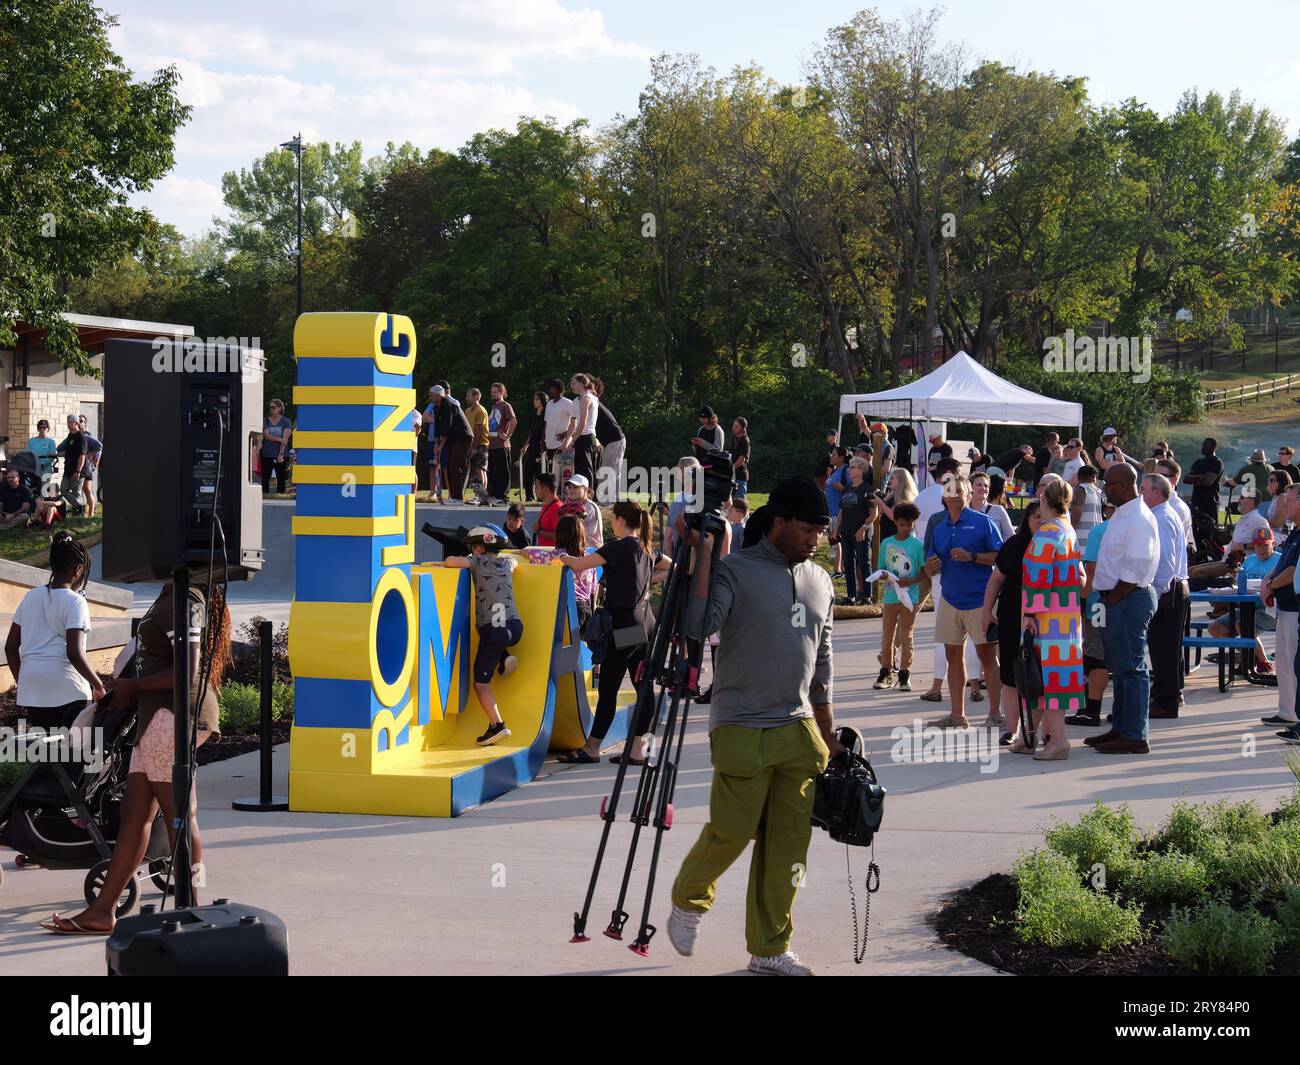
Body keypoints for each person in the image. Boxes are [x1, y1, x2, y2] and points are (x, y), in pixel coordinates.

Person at [667, 477, 842, 977]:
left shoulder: (822, 580)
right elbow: (697, 627)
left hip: (800, 724)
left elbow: (823, 663)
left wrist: (829, 732)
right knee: (733, 830)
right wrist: (703, 556)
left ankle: (769, 948)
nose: (815, 539)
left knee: (789, 846)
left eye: (821, 532)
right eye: (807, 529)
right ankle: (688, 900)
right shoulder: (735, 570)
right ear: (780, 521)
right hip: (741, 722)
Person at [42, 577, 228, 934]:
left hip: (171, 717)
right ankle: (102, 911)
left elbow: (187, 671)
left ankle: (191, 910)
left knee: (180, 816)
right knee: (135, 815)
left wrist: (131, 687)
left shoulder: (186, 595)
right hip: (155, 719)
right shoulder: (174, 591)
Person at [557, 501, 671, 764]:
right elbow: (671, 566)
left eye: (614, 520)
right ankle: (639, 751)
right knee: (644, 686)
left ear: (619, 520)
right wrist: (647, 582)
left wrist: (560, 557)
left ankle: (592, 748)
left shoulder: (616, 548)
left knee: (609, 686)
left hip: (624, 625)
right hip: (646, 622)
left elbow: (579, 564)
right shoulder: (646, 548)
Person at [1086, 463, 1159, 755]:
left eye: (1108, 484)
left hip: (1128, 598)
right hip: (1118, 599)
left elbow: (1137, 564)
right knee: (1120, 667)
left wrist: (1113, 597)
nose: (1104, 488)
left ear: (1123, 486)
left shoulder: (1138, 518)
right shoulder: (1123, 515)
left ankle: (1134, 735)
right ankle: (1121, 728)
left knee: (1131, 669)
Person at [924, 474, 1004, 729]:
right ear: (944, 496)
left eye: (960, 489)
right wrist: (930, 566)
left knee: (987, 656)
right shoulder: (939, 528)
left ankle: (995, 714)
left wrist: (972, 557)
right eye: (950, 489)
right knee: (952, 655)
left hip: (980, 598)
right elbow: (929, 566)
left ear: (970, 494)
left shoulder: (984, 523)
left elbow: (1001, 557)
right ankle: (957, 716)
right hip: (950, 598)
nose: (955, 493)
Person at [4, 532, 105, 733]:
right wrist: (98, 685)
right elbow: (74, 654)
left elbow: (10, 647)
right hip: (68, 689)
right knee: (76, 755)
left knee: (48, 754)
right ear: (78, 569)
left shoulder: (30, 597)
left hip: (33, 689)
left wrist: (23, 682)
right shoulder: (75, 601)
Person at [1015, 479, 1084, 760]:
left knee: (1044, 678)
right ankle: (1028, 736)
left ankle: (1057, 740)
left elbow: (1037, 577)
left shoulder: (1046, 534)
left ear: (1044, 499)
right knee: (1048, 679)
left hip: (1046, 618)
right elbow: (1079, 575)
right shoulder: (1068, 531)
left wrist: (1030, 613)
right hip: (1066, 618)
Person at [441, 525, 522, 745]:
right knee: (496, 643)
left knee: (480, 684)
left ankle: (497, 725)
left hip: (493, 631)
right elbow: (515, 562)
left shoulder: (476, 561)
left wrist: (465, 558)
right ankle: (504, 658)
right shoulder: (506, 563)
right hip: (515, 627)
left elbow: (450, 562)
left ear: (477, 549)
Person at [982, 500, 1042, 746]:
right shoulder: (1014, 546)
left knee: (1037, 675)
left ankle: (1035, 730)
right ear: (1027, 519)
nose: (1039, 520)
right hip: (1010, 616)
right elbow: (996, 579)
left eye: (1043, 516)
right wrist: (986, 611)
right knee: (1010, 673)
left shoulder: (1055, 546)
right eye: (1034, 516)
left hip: (1044, 620)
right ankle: (1013, 729)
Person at [1144, 472, 1190, 720]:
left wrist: (1158, 592)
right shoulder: (1163, 513)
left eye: (1144, 488)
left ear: (1156, 492)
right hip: (1172, 587)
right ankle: (1166, 694)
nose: (1141, 493)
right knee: (1166, 648)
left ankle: (1167, 700)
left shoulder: (1161, 517)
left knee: (1164, 648)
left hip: (1168, 589)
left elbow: (1165, 561)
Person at [1065, 500, 1115, 728]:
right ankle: (1110, 707)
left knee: (1095, 656)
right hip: (1124, 600)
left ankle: (1091, 710)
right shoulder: (1138, 526)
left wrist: (1082, 600)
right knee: (1110, 655)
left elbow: (1091, 570)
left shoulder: (1100, 530)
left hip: (1098, 601)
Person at [1207, 525, 1277, 674]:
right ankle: (1249, 656)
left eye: (1265, 545)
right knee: (1215, 629)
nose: (1261, 548)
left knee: (1243, 625)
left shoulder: (1279, 559)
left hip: (1270, 609)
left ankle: (1263, 662)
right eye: (1258, 545)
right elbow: (1238, 585)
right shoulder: (1249, 560)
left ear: (1273, 543)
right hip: (1246, 606)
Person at [874, 502, 924, 690]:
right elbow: (880, 569)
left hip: (910, 598)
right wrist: (885, 576)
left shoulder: (918, 544)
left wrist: (909, 582)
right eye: (902, 524)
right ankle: (886, 671)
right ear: (895, 523)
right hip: (890, 597)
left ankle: (905, 673)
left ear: (913, 523)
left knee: (906, 635)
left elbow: (924, 572)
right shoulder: (887, 543)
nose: (905, 528)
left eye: (909, 524)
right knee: (887, 636)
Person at [1262, 485, 1300, 732]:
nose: (1282, 506)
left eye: (1288, 501)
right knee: (1285, 664)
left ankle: (1296, 715)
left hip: (1295, 609)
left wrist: (1272, 585)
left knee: (1295, 664)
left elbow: (1293, 572)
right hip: (1284, 608)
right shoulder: (1295, 533)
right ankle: (1287, 712)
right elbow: (1282, 564)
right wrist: (1268, 580)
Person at [835, 457, 875, 606]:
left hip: (861, 533)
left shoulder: (867, 489)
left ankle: (867, 596)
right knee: (848, 564)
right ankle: (851, 595)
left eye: (853, 467)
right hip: (846, 532)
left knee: (864, 563)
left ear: (861, 470)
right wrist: (836, 530)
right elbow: (841, 511)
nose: (849, 470)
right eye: (850, 467)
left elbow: (874, 513)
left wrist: (863, 529)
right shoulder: (847, 488)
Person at [592, 378, 626, 500]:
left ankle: (608, 502)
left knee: (607, 472)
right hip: (615, 440)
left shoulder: (593, 402)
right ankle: (612, 501)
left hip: (614, 440)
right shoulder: (594, 402)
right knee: (612, 472)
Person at [565, 373, 600, 483]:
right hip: (580, 437)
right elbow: (573, 423)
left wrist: (573, 440)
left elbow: (583, 423)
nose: (571, 386)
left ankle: (589, 496)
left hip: (586, 437)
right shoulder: (576, 401)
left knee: (586, 469)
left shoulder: (587, 398)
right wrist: (567, 440)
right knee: (579, 470)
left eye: (574, 383)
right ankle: (580, 496)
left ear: (581, 384)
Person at [486, 382, 517, 504]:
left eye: (495, 392)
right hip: (492, 445)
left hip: (502, 445)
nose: (492, 394)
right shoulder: (493, 407)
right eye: (491, 392)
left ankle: (503, 497)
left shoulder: (506, 406)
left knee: (502, 472)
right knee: (493, 471)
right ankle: (494, 496)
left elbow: (514, 421)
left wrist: (507, 436)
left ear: (502, 392)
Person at [823, 447, 850, 577]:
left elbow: (851, 490)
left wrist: (841, 487)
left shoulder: (846, 470)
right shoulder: (835, 471)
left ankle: (838, 570)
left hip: (838, 511)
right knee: (833, 539)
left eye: (834, 455)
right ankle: (840, 569)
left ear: (841, 457)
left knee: (836, 539)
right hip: (831, 511)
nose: (831, 457)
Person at [560, 473, 603, 549]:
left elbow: (587, 532)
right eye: (569, 487)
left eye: (575, 487)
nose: (571, 490)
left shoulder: (590, 507)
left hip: (592, 552)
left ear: (586, 489)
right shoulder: (567, 504)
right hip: (576, 550)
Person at [543, 379, 577, 474]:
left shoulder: (568, 403)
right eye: (551, 388)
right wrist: (543, 441)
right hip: (549, 444)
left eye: (554, 388)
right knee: (552, 473)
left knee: (565, 474)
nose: (551, 391)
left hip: (562, 445)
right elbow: (546, 423)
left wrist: (567, 434)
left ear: (560, 390)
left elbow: (576, 421)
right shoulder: (549, 404)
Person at [259, 399, 292, 495]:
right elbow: (266, 435)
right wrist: (280, 439)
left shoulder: (286, 421)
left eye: (274, 407)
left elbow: (285, 439)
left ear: (280, 408)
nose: (271, 409)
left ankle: (281, 495)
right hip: (267, 453)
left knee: (281, 476)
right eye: (270, 407)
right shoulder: (265, 420)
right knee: (265, 477)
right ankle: (264, 495)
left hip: (281, 453)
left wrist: (280, 454)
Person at [1186, 437, 1224, 519]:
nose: (1203, 447)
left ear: (1213, 447)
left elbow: (1207, 482)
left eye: (1206, 445)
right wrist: (1201, 477)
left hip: (1210, 504)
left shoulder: (1217, 462)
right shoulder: (1198, 462)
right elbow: (1186, 479)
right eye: (1203, 445)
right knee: (1194, 529)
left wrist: (1194, 478)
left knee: (1209, 529)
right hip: (1196, 502)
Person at [970, 471, 1014, 541]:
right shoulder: (963, 511)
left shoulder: (998, 510)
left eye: (986, 486)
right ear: (970, 488)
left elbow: (1011, 538)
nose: (983, 488)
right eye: (979, 485)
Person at [56, 414, 86, 514]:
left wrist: (78, 471)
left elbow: (82, 455)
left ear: (76, 423)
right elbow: (69, 452)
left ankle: (79, 511)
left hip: (77, 470)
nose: (68, 424)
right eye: (68, 422)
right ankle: (80, 507)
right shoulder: (70, 435)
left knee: (76, 492)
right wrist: (56, 454)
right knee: (63, 490)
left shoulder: (81, 437)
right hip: (68, 469)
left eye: (70, 422)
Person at [1070, 464, 1104, 551]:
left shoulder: (1080, 489)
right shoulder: (1099, 492)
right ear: (1094, 477)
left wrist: (1070, 532)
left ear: (1078, 477)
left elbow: (1076, 516)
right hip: (1096, 541)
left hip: (1080, 542)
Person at [521, 391, 547, 502]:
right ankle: (529, 496)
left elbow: (546, 431)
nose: (534, 401)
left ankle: (541, 497)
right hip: (532, 446)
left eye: (537, 399)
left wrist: (543, 444)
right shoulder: (533, 416)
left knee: (540, 473)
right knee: (528, 472)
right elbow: (531, 433)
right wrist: (525, 445)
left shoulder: (546, 415)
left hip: (541, 447)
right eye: (534, 399)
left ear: (542, 400)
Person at [464, 387, 490, 496]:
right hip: (471, 444)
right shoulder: (467, 411)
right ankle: (479, 495)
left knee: (480, 469)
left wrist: (474, 448)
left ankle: (481, 496)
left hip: (481, 444)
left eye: (469, 396)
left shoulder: (481, 411)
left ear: (476, 397)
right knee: (475, 470)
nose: (467, 398)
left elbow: (478, 430)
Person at [533, 473, 562, 547]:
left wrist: (539, 531)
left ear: (545, 489)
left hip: (552, 555)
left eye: (536, 487)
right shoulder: (546, 505)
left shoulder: (557, 508)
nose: (535, 491)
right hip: (545, 553)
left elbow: (559, 535)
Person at [731, 417, 751, 499]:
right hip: (733, 476)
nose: (734, 428)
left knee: (740, 504)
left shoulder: (744, 440)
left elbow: (742, 459)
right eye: (733, 425)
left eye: (737, 426)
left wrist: (731, 468)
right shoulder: (735, 438)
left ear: (743, 428)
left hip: (740, 477)